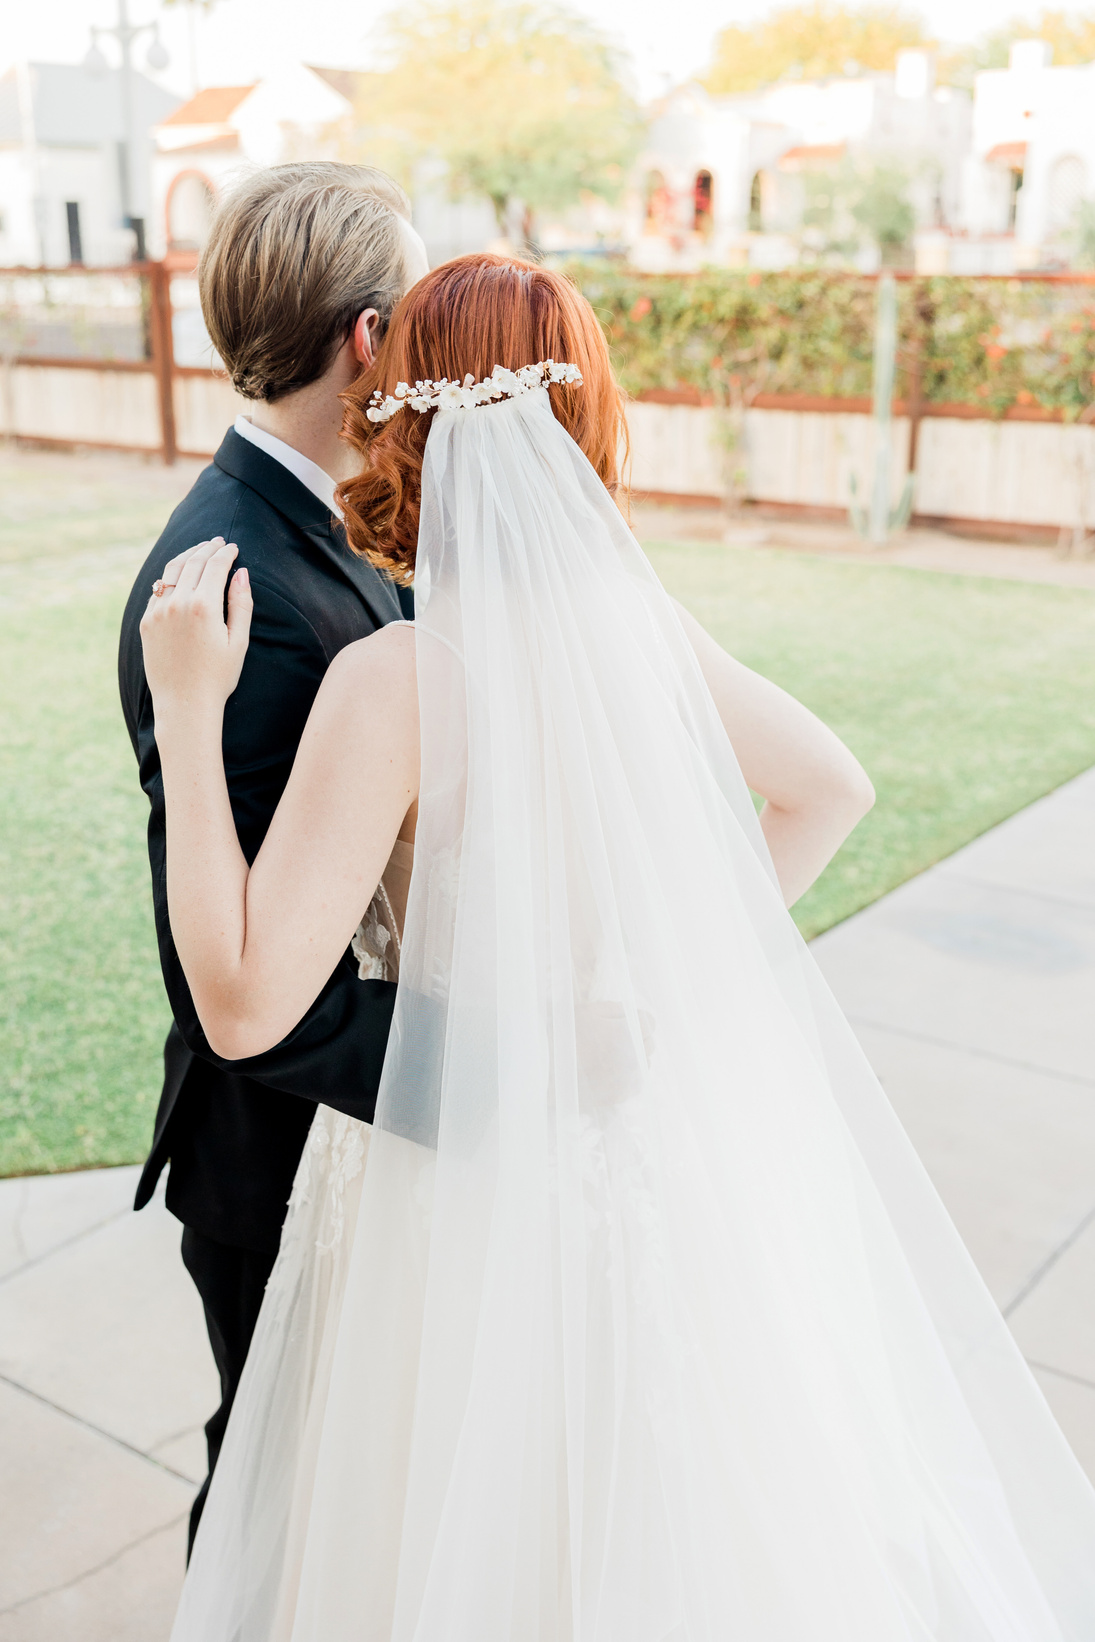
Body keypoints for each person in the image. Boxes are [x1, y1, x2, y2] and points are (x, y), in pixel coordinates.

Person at [141, 256, 1095, 1639]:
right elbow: (831, 785)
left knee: (435, 1528)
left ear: (400, 414)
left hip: (447, 1175)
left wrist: (187, 706)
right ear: (576, 417)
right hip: (634, 1152)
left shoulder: (398, 683)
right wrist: (658, 974)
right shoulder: (627, 627)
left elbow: (238, 1002)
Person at [117, 161, 429, 1550]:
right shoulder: (234, 578)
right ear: (370, 337)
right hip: (286, 1152)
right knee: (269, 1499)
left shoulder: (328, 515)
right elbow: (250, 991)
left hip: (345, 1141)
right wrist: (478, 1064)